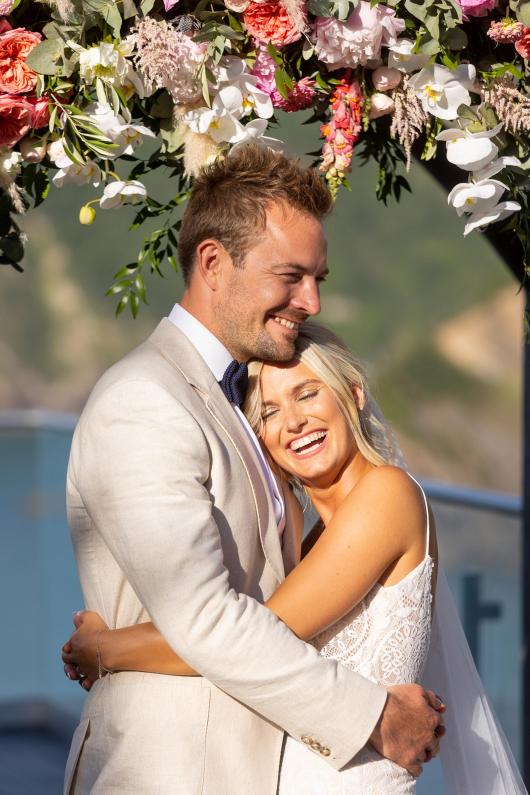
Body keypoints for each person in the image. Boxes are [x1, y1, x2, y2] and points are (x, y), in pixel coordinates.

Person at [61, 144, 443, 795]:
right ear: (213, 262)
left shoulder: (238, 398)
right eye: (291, 275)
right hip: (173, 770)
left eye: (318, 277)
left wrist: (112, 645)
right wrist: (373, 715)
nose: (313, 301)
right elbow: (208, 619)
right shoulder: (145, 399)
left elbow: (265, 604)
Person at [64, 322, 527, 794]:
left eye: (307, 394)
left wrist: (104, 649)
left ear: (354, 394)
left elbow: (250, 634)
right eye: (268, 412)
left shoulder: (386, 496)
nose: (294, 421)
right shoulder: (310, 545)